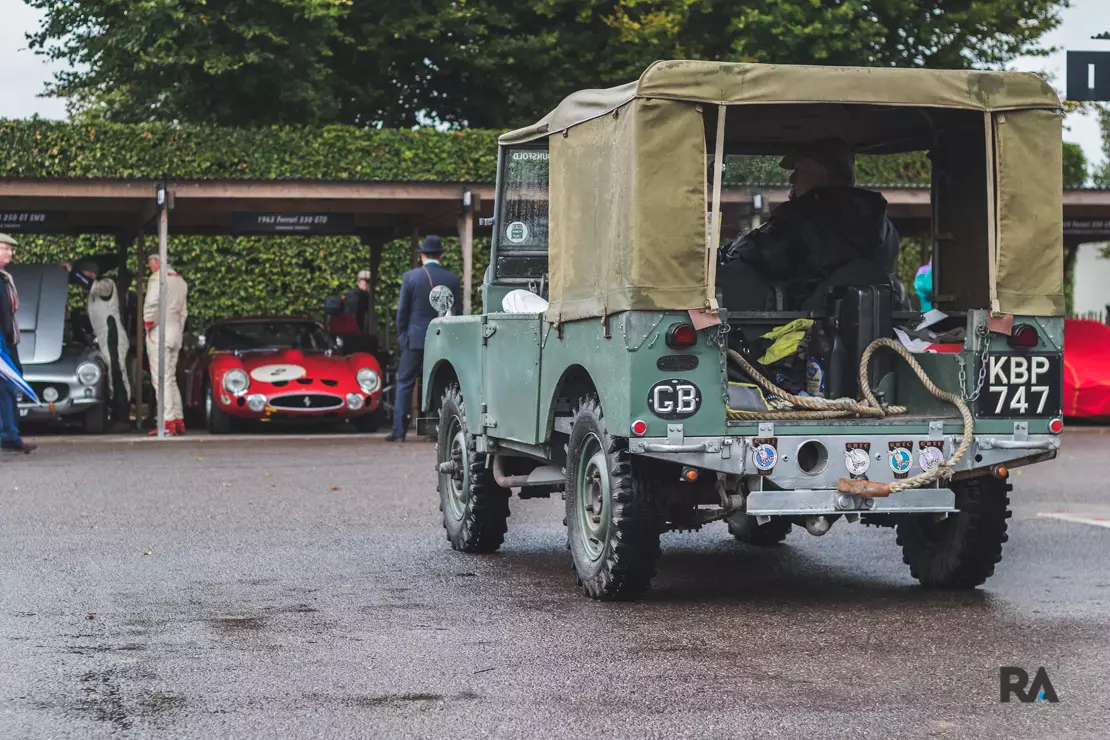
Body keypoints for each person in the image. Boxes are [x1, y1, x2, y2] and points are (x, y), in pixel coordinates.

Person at [717, 138, 900, 310]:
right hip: (862, 321)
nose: (791, 179)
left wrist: (727, 252)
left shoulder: (803, 215)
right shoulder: (883, 227)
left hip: (803, 329)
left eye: (800, 170)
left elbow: (761, 252)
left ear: (824, 174)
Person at [387, 235, 462, 442]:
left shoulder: (410, 277)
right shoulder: (452, 280)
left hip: (415, 339)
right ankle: (432, 432)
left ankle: (399, 431)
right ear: (442, 255)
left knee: (404, 383)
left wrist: (403, 336)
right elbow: (456, 312)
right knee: (437, 384)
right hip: (441, 341)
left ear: (422, 256)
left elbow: (402, 312)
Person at [142, 255, 188, 436]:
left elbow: (152, 303)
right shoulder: (181, 281)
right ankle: (178, 418)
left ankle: (167, 421)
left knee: (160, 378)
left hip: (160, 331)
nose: (149, 266)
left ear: (157, 261)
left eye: (150, 262)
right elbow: (184, 312)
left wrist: (148, 324)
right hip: (176, 331)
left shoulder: (157, 278)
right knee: (170, 377)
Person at [0, 234, 36, 453]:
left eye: (11, 250)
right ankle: (9, 437)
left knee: (9, 387)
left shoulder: (5, 278)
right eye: (5, 249)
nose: (10, 253)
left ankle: (10, 435)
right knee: (7, 387)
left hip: (8, 339)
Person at [88, 278, 132, 425]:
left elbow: (92, 285)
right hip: (106, 337)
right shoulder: (94, 294)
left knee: (117, 373)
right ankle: (117, 413)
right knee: (113, 376)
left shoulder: (106, 284)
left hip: (112, 336)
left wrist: (74, 272)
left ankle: (122, 415)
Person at [344, 270, 373, 335]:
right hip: (359, 332)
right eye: (364, 281)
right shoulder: (366, 296)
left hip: (347, 332)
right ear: (358, 282)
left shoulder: (349, 294)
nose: (366, 283)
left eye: (367, 281)